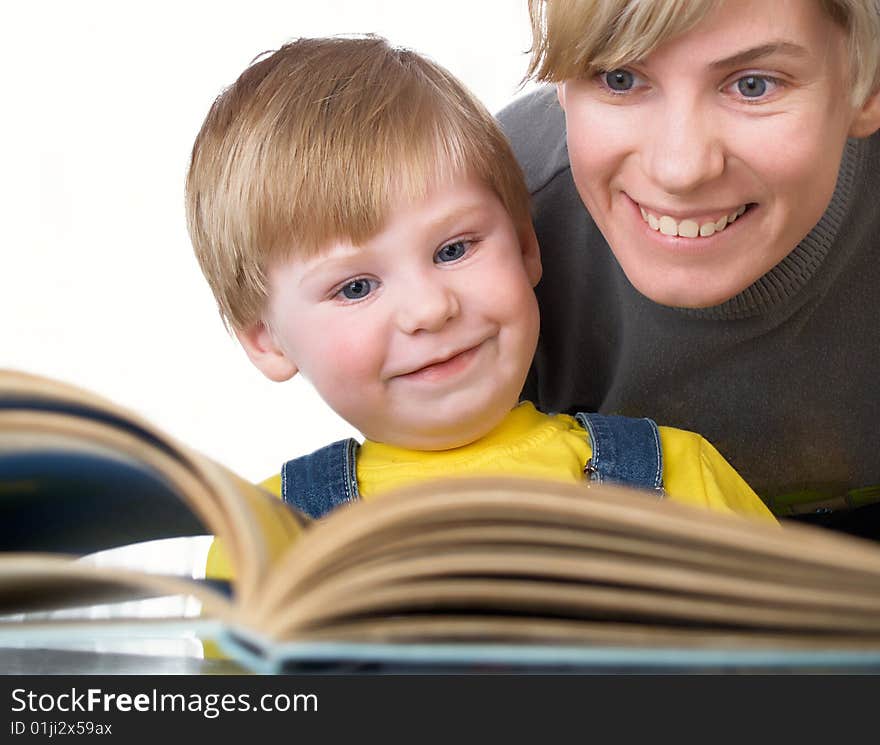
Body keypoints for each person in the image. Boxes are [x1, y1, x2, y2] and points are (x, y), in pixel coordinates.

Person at [185, 35, 773, 552]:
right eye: (356, 286)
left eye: (454, 250)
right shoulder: (265, 541)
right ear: (265, 338)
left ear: (524, 247)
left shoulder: (677, 476)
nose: (430, 309)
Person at [499, 0, 880, 537]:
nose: (680, 169)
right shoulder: (496, 217)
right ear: (561, 83)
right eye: (621, 77)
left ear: (868, 86)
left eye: (754, 86)